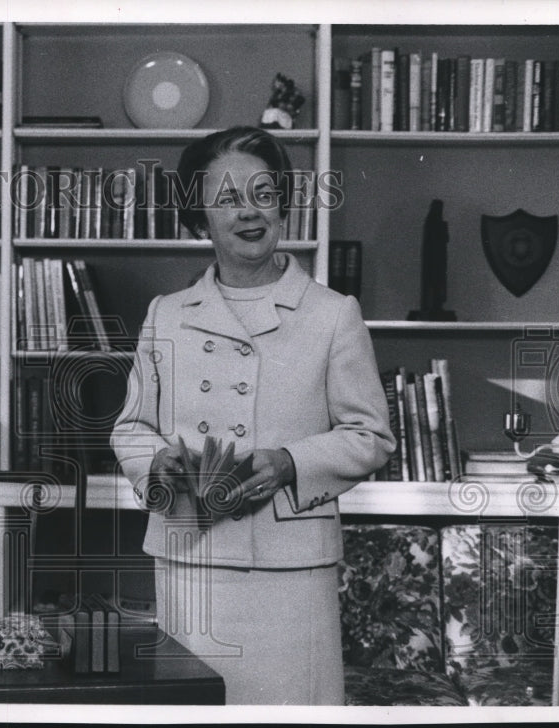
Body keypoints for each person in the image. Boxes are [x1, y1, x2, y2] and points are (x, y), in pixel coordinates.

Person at [110, 126, 395, 705]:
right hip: (192, 557)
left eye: (264, 194)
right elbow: (132, 426)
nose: (249, 212)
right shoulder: (165, 314)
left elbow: (371, 435)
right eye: (229, 199)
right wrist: (157, 464)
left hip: (290, 571)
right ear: (199, 219)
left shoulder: (332, 314)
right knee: (195, 713)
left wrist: (290, 463)